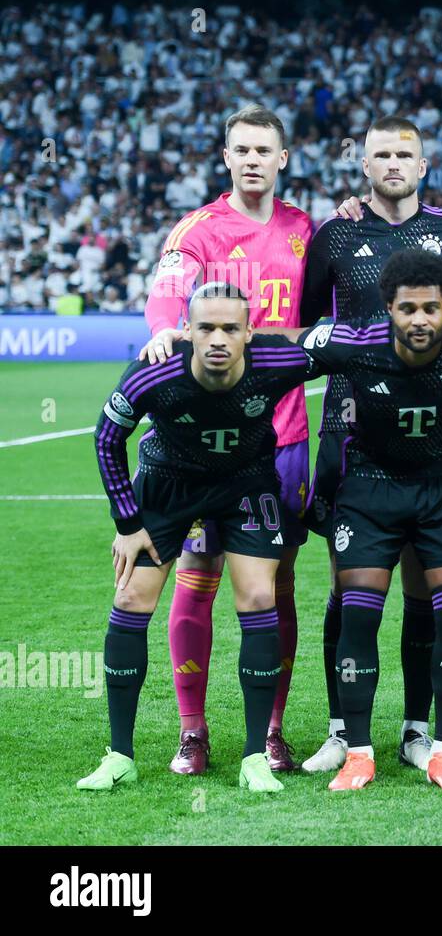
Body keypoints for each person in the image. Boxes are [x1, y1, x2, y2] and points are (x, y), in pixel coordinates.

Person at [79, 282, 313, 793]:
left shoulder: (277, 361)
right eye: (205, 327)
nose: (218, 339)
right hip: (168, 485)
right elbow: (106, 437)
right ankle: (120, 754)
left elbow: (346, 346)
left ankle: (255, 755)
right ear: (185, 330)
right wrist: (128, 523)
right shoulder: (155, 369)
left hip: (246, 483)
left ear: (251, 332)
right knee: (131, 598)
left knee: (257, 595)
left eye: (231, 327)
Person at [296, 116, 442, 775]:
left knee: (425, 587)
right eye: (381, 154)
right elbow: (307, 322)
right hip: (350, 429)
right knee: (350, 586)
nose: (393, 163)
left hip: (430, 432)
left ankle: (417, 727)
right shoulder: (336, 232)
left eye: (405, 154)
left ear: (424, 165)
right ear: (363, 164)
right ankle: (345, 731)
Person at [141, 104, 314, 775]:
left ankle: (270, 730)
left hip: (284, 438)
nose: (250, 159)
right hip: (205, 444)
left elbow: (336, 309)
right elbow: (169, 291)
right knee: (199, 575)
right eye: (239, 148)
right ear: (225, 157)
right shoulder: (200, 230)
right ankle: (193, 731)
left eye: (262, 149)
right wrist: (162, 327)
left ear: (282, 159)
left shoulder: (307, 231)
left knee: (277, 583)